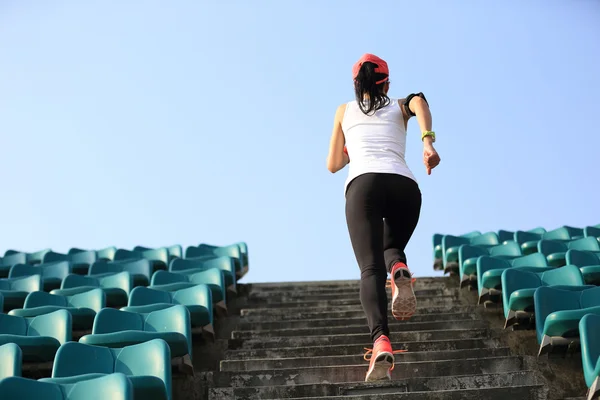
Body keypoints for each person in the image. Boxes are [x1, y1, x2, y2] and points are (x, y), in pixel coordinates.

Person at [326, 53, 441, 382]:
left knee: (369, 268)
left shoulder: (343, 111)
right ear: (386, 83)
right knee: (391, 248)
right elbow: (419, 101)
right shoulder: (400, 105)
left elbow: (333, 164)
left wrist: (354, 147)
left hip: (363, 185)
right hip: (404, 185)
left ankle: (380, 341)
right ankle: (400, 269)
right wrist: (427, 143)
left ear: (355, 85)